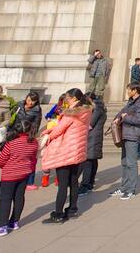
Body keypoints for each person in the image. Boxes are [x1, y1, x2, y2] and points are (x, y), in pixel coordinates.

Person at [40, 88, 92, 223]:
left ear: (74, 99)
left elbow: (59, 129)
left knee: (63, 183)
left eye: (67, 98)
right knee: (73, 181)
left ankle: (58, 213)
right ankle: (73, 209)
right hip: (78, 149)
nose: (66, 101)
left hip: (66, 149)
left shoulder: (71, 113)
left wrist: (48, 135)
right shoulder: (86, 111)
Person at [0, 119, 38, 237]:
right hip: (24, 174)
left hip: (9, 175)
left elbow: (1, 161)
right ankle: (14, 222)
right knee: (19, 197)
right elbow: (33, 158)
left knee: (6, 199)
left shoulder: (11, 144)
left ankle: (2, 226)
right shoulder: (34, 142)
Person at [112, 82, 140, 200]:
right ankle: (124, 187)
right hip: (125, 133)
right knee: (124, 162)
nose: (127, 91)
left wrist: (125, 117)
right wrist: (117, 118)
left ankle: (131, 189)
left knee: (131, 163)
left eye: (129, 89)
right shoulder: (130, 102)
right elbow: (121, 112)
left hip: (133, 134)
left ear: (135, 90)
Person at [79, 92, 106, 195]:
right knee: (92, 160)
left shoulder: (97, 108)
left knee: (88, 161)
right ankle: (90, 182)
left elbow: (90, 124)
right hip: (94, 137)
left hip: (92, 137)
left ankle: (85, 185)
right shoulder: (98, 107)